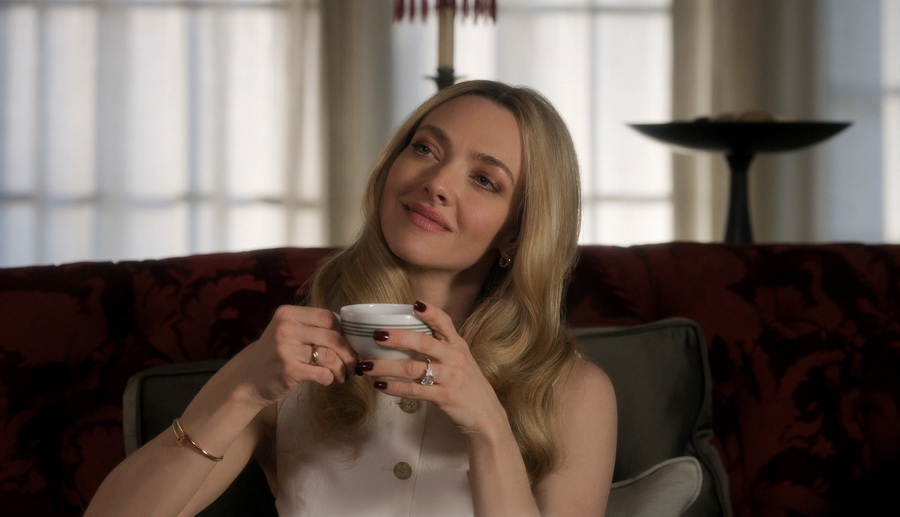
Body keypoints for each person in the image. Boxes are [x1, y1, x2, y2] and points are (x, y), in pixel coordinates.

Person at [86, 80, 617, 516]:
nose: (437, 182)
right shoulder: (291, 360)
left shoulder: (573, 393)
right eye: (425, 149)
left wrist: (489, 429)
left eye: (484, 180)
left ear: (518, 233)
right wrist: (241, 388)